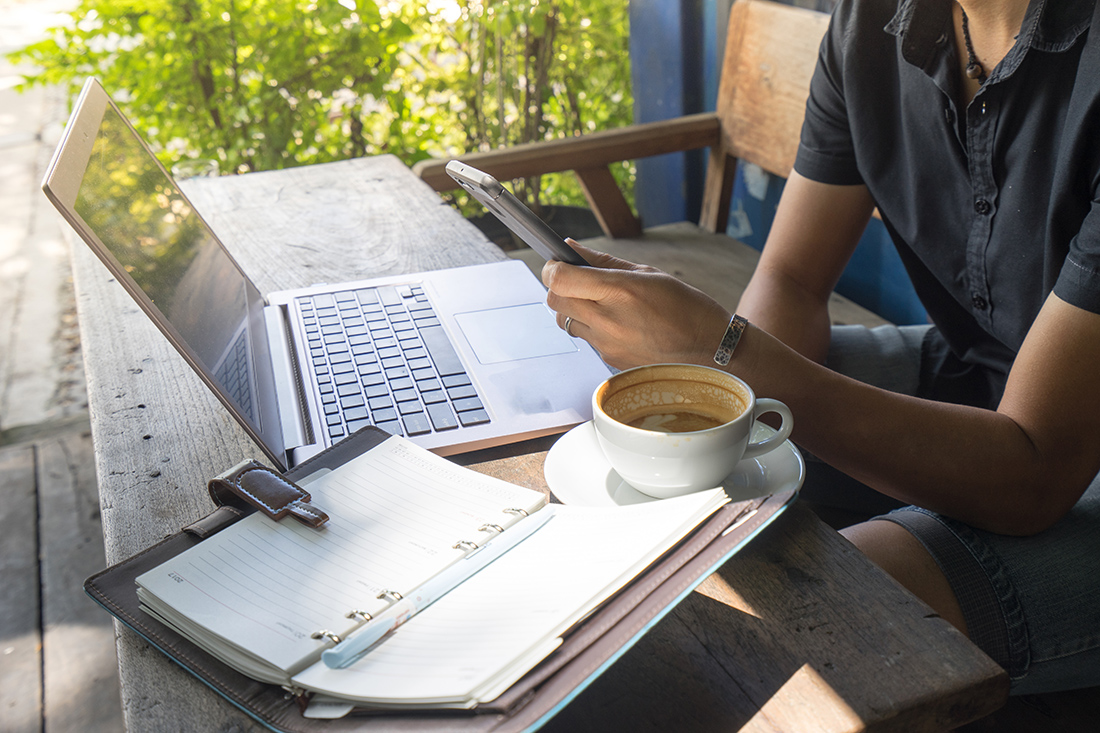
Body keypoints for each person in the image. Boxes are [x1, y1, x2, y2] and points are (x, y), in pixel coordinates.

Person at [541, 0, 1100, 695]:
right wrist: (716, 384)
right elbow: (794, 281)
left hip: (1061, 457)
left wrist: (723, 351)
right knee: (632, 459)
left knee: (803, 605)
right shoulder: (875, 21)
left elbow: (1035, 473)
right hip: (987, 370)